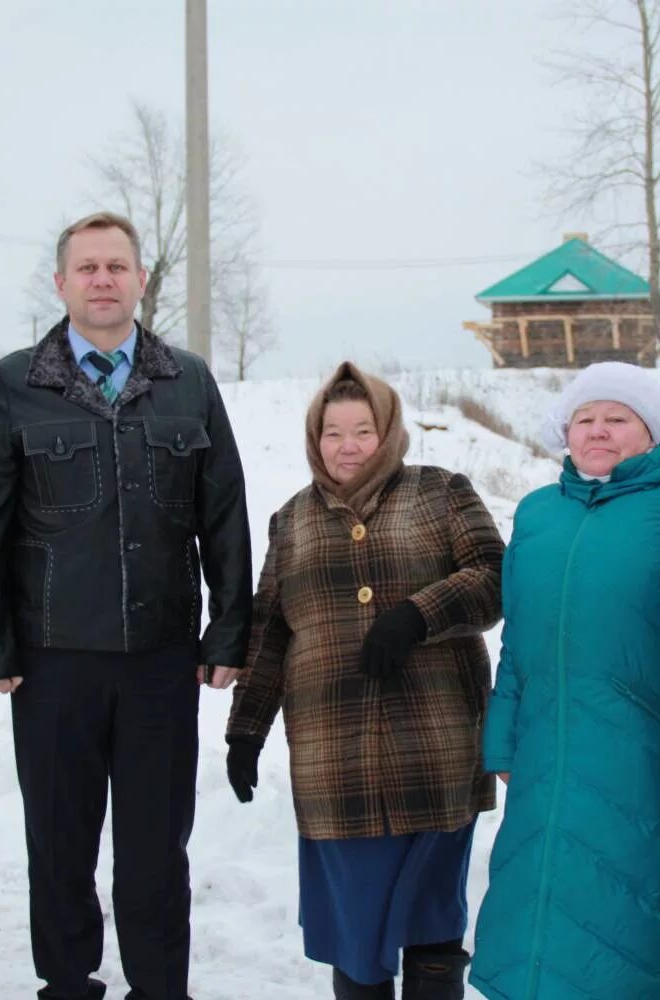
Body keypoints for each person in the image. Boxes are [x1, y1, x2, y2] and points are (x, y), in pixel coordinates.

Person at [0, 211, 251, 1000]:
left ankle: (161, 987)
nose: (102, 280)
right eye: (86, 268)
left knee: (156, 848)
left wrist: (228, 631)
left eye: (117, 266)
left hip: (160, 658)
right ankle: (67, 982)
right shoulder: (16, 384)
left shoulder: (188, 380)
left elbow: (224, 514)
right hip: (52, 659)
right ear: (61, 283)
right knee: (59, 840)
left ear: (140, 279)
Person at [224, 363, 504, 1000]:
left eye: (363, 431)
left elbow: (494, 576)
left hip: (435, 748)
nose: (347, 446)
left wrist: (417, 615)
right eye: (332, 433)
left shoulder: (442, 493)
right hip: (335, 761)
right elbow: (269, 633)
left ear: (390, 433)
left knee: (433, 922)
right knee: (356, 932)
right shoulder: (290, 522)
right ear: (313, 438)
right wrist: (245, 732)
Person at [469, 362, 660, 1000]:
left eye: (618, 418)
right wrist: (504, 739)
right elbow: (519, 640)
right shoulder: (539, 514)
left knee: (627, 920)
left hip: (643, 760)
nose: (598, 431)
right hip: (543, 753)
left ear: (652, 431)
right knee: (533, 910)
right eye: (585, 419)